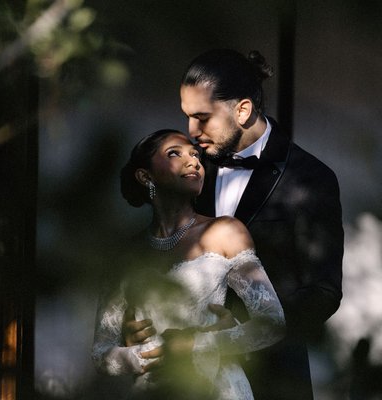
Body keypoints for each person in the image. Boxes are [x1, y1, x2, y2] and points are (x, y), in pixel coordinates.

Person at [123, 49, 344, 399]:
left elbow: (324, 292)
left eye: (202, 117)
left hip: (271, 378)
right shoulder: (191, 168)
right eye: (187, 116)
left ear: (242, 110)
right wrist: (135, 322)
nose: (191, 132)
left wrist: (243, 333)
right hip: (179, 381)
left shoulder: (311, 179)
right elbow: (162, 246)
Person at [92, 129, 286, 399]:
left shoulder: (225, 232)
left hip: (217, 389)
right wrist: (147, 354)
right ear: (145, 176)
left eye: (196, 155)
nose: (193, 161)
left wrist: (196, 342)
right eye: (175, 154)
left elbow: (272, 323)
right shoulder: (127, 254)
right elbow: (102, 353)